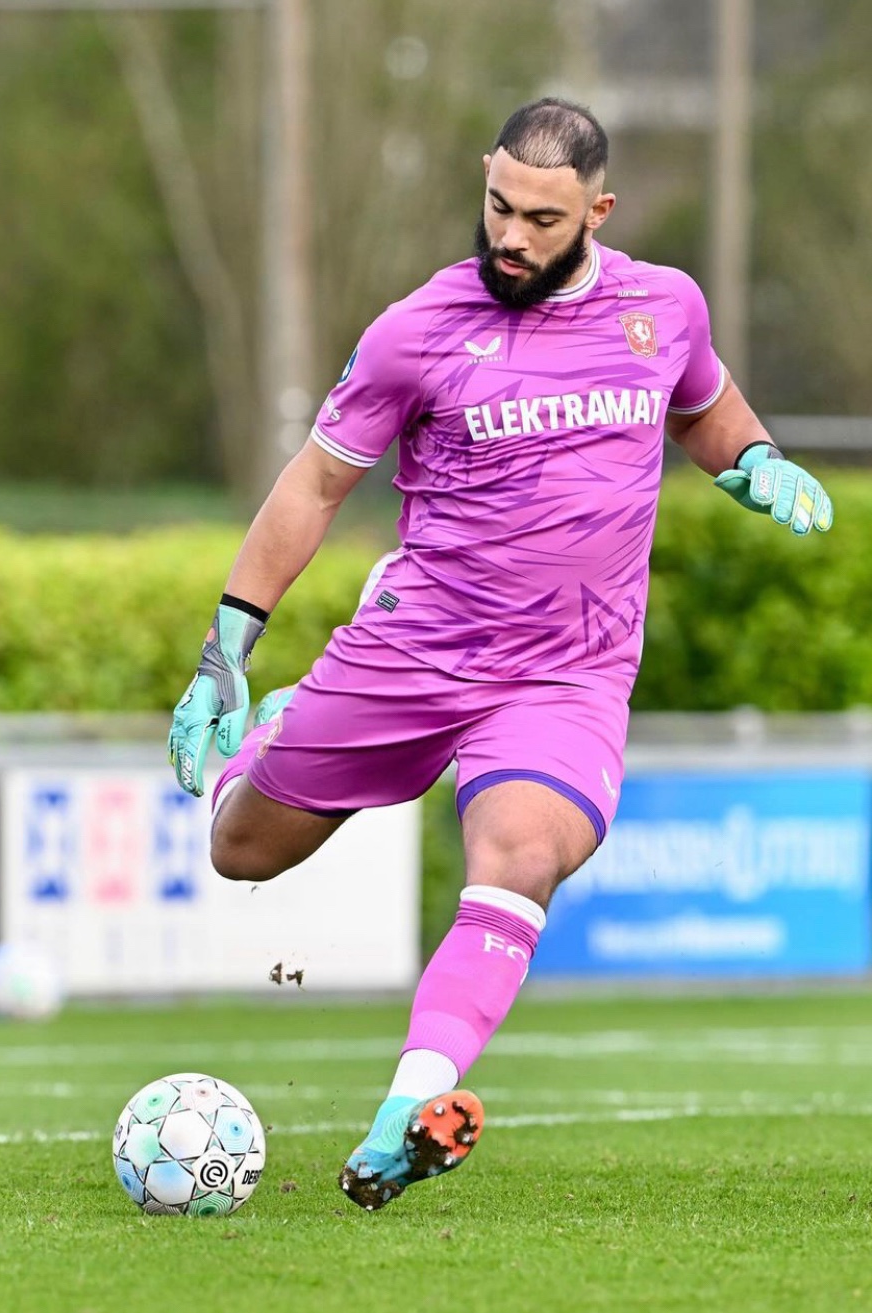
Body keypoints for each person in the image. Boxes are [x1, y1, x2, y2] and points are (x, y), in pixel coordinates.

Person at [168, 98, 833, 1212]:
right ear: (484, 179)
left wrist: (754, 458)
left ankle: (406, 1111)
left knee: (519, 855)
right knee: (242, 850)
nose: (511, 237)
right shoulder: (415, 328)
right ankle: (282, 724)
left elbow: (701, 405)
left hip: (565, 674)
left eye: (541, 219)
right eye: (498, 207)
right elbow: (316, 484)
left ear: (597, 212)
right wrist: (225, 649)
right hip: (412, 649)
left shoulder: (662, 306)